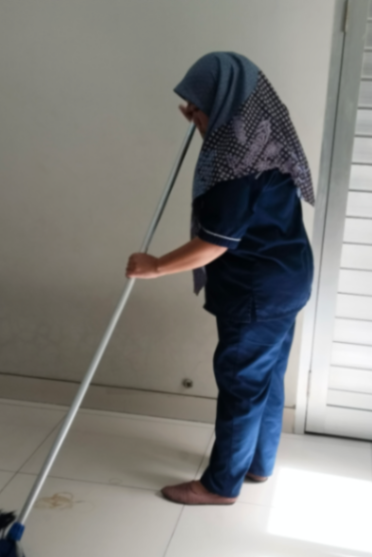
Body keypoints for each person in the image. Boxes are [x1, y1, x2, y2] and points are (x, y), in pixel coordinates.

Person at [125, 52, 315, 505]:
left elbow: (214, 243)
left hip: (255, 291)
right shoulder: (265, 140)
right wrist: (202, 120)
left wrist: (155, 266)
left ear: (223, 102)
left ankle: (220, 486)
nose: (193, 114)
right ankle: (257, 464)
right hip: (287, 279)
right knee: (266, 378)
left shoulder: (235, 167)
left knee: (241, 386)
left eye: (199, 106)